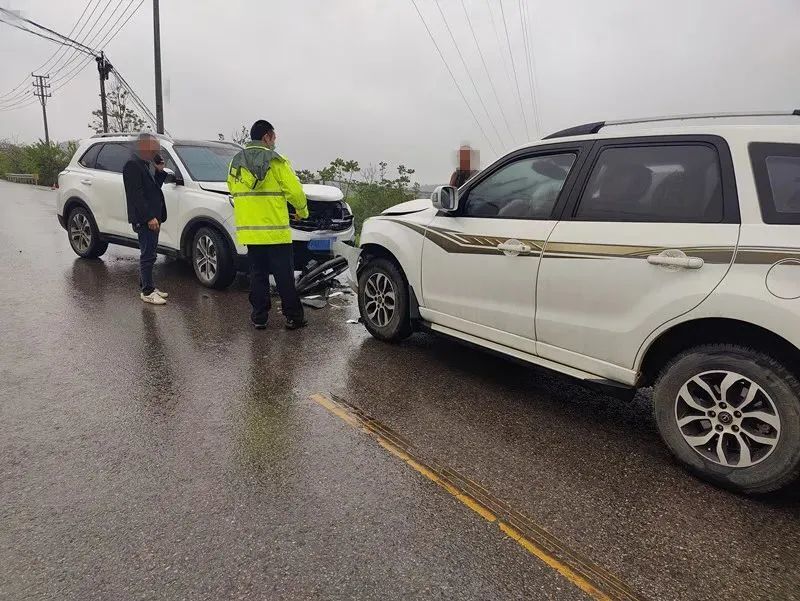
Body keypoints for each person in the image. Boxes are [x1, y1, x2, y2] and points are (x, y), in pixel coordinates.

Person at [227, 120, 309, 330]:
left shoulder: (236, 162)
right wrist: (302, 211)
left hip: (251, 233)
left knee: (257, 275)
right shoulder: (276, 161)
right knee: (284, 277)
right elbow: (296, 192)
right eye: (273, 137)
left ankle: (259, 317)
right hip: (276, 233)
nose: (274, 142)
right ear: (266, 137)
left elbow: (233, 190)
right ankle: (294, 317)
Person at [123, 132, 168, 305]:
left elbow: (153, 189)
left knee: (151, 252)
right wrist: (149, 217)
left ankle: (147, 284)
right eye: (153, 148)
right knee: (148, 254)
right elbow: (137, 195)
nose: (156, 151)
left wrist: (159, 171)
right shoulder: (132, 165)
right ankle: (147, 292)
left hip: (153, 217)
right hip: (145, 218)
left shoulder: (144, 164)